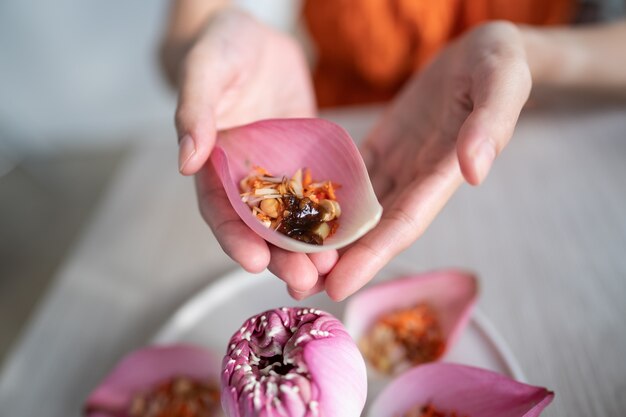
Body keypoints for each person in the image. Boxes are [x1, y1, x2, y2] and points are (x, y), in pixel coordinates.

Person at [159, 0, 626, 301]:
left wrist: (529, 54)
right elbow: (184, 32)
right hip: (332, 119)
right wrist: (201, 45)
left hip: (530, 153)